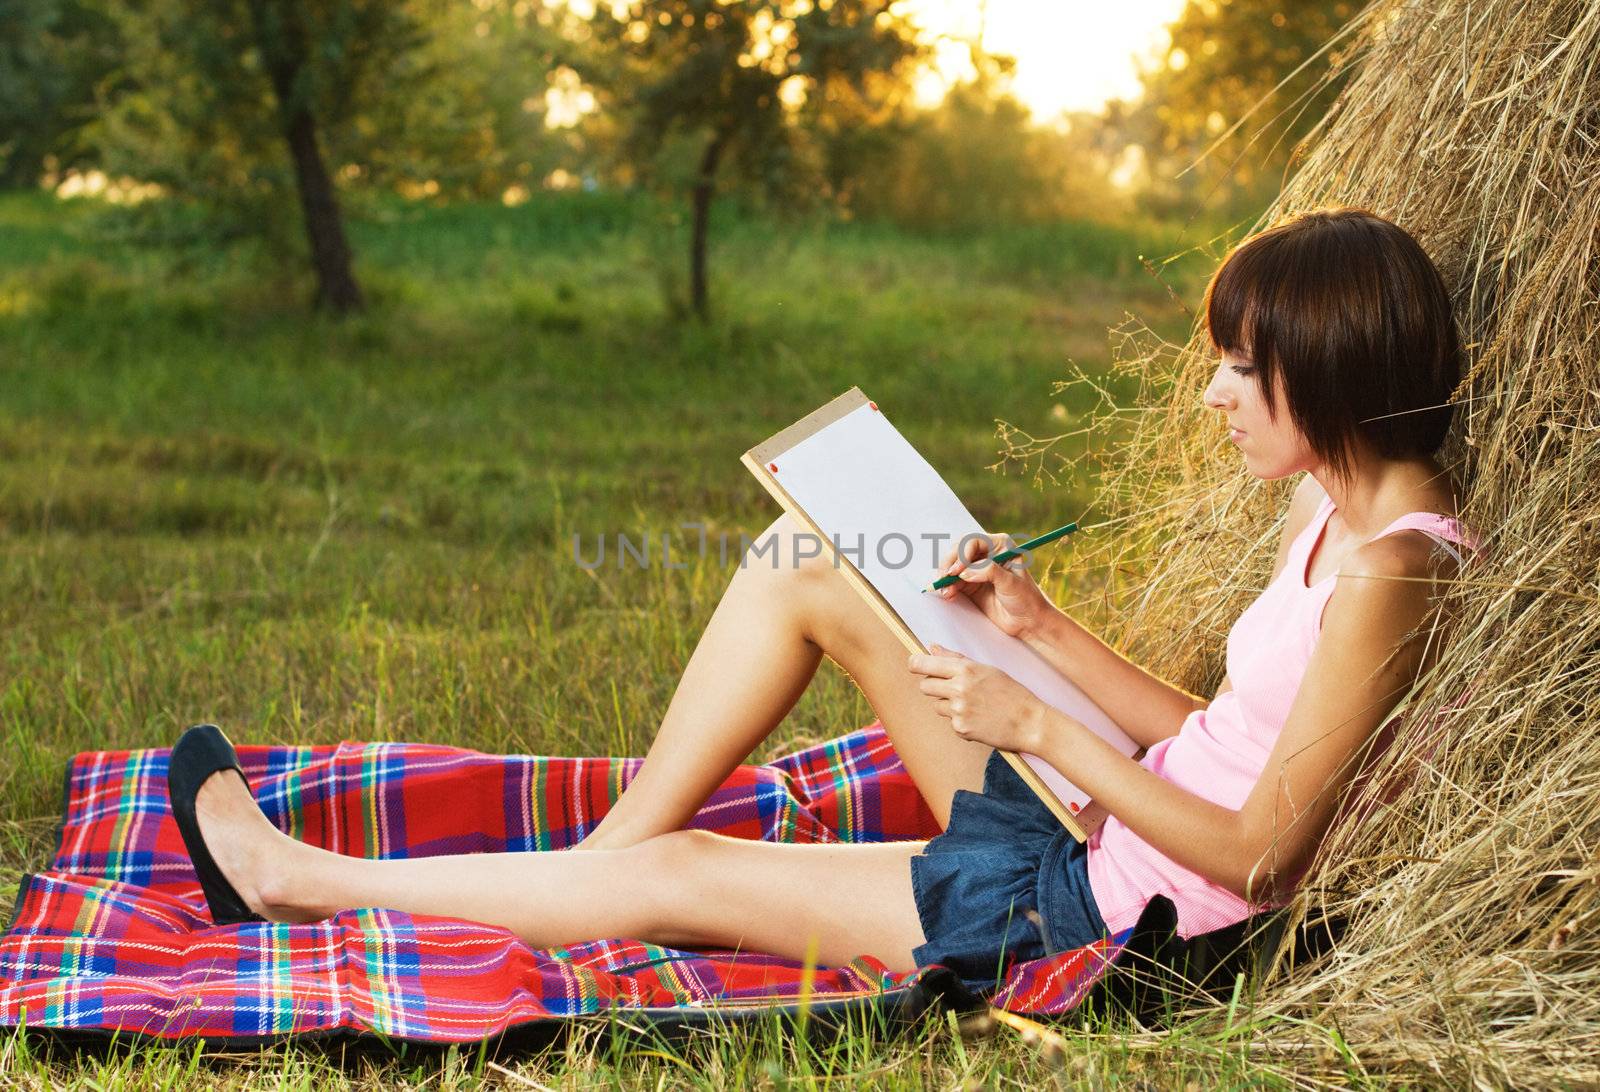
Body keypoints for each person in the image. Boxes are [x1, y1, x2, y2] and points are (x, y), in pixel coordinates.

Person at [168, 207, 1479, 993]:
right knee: (804, 563)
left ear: (1327, 365)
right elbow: (1233, 734)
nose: (1213, 396)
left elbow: (1262, 851)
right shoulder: (1334, 509)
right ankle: (594, 862)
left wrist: (1045, 736)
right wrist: (1034, 625)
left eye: (1240, 368)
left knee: (691, 878)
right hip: (1095, 827)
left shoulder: (1397, 567)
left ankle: (295, 882)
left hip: (1100, 924)